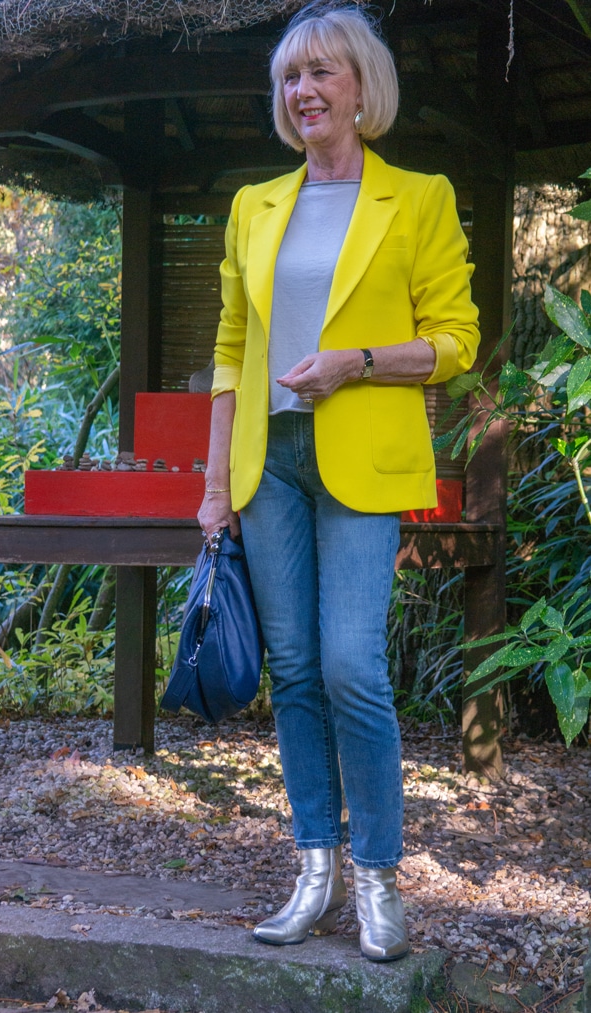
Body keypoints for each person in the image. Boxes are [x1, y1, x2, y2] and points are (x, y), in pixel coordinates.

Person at [197, 0, 479, 962]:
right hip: (265, 463)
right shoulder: (253, 206)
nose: (302, 90)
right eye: (289, 77)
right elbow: (232, 350)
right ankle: (313, 869)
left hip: (359, 460)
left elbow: (456, 342)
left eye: (321, 72)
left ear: (362, 88)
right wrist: (210, 487)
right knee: (295, 671)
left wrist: (354, 360)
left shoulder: (421, 197)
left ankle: (377, 879)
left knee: (353, 667)